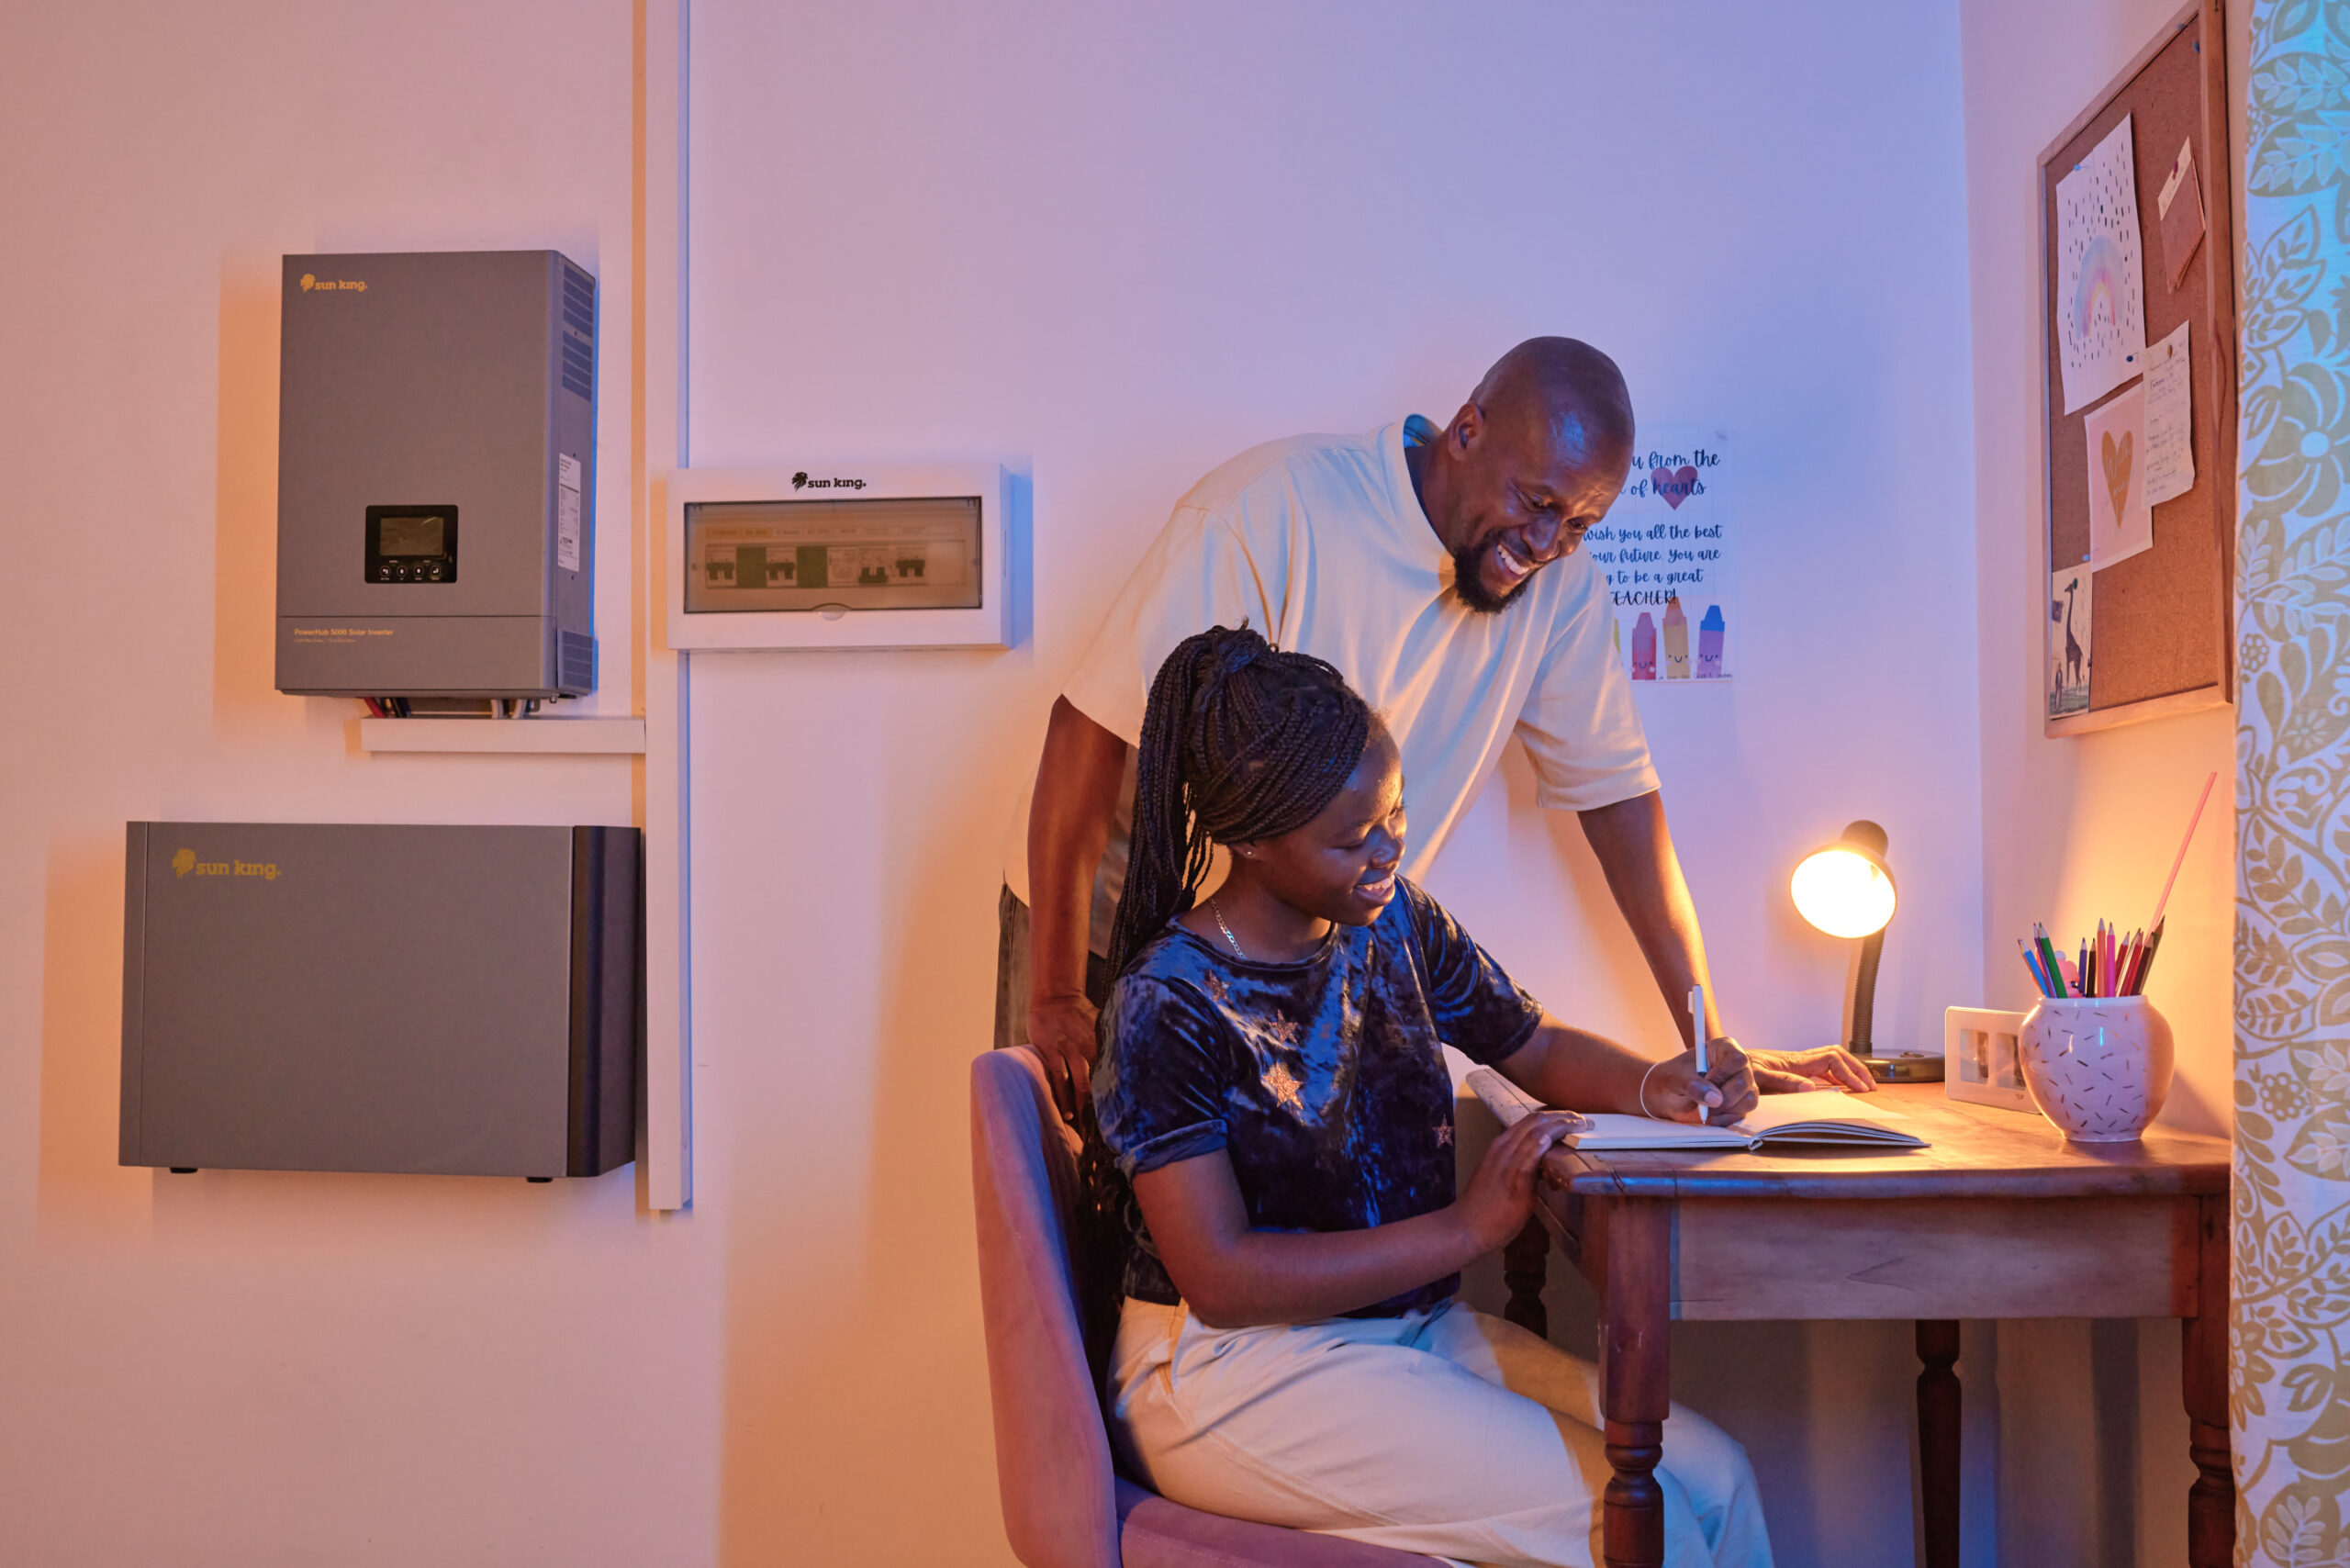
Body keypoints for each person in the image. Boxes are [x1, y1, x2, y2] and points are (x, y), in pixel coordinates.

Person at [1000, 336, 1868, 1117]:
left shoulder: (1562, 590)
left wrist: (1708, 1034)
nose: (1545, 541)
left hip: (1297, 960)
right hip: (1110, 934)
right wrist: (1056, 993)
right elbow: (1093, 728)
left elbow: (1622, 808)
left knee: (1239, 1252)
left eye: (1579, 524)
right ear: (1465, 432)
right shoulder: (1274, 508)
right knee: (1085, 1250)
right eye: (1535, 501)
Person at [1091, 627, 1773, 1567]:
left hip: (1402, 1330)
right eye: (1350, 838)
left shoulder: (1391, 920)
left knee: (1717, 1478)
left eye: (1395, 814)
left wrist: (1665, 1085)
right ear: (1248, 839)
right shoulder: (1167, 999)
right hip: (1229, 1365)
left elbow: (1530, 1041)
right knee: (1630, 1520)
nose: (1385, 850)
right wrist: (1466, 1228)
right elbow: (1220, 1276)